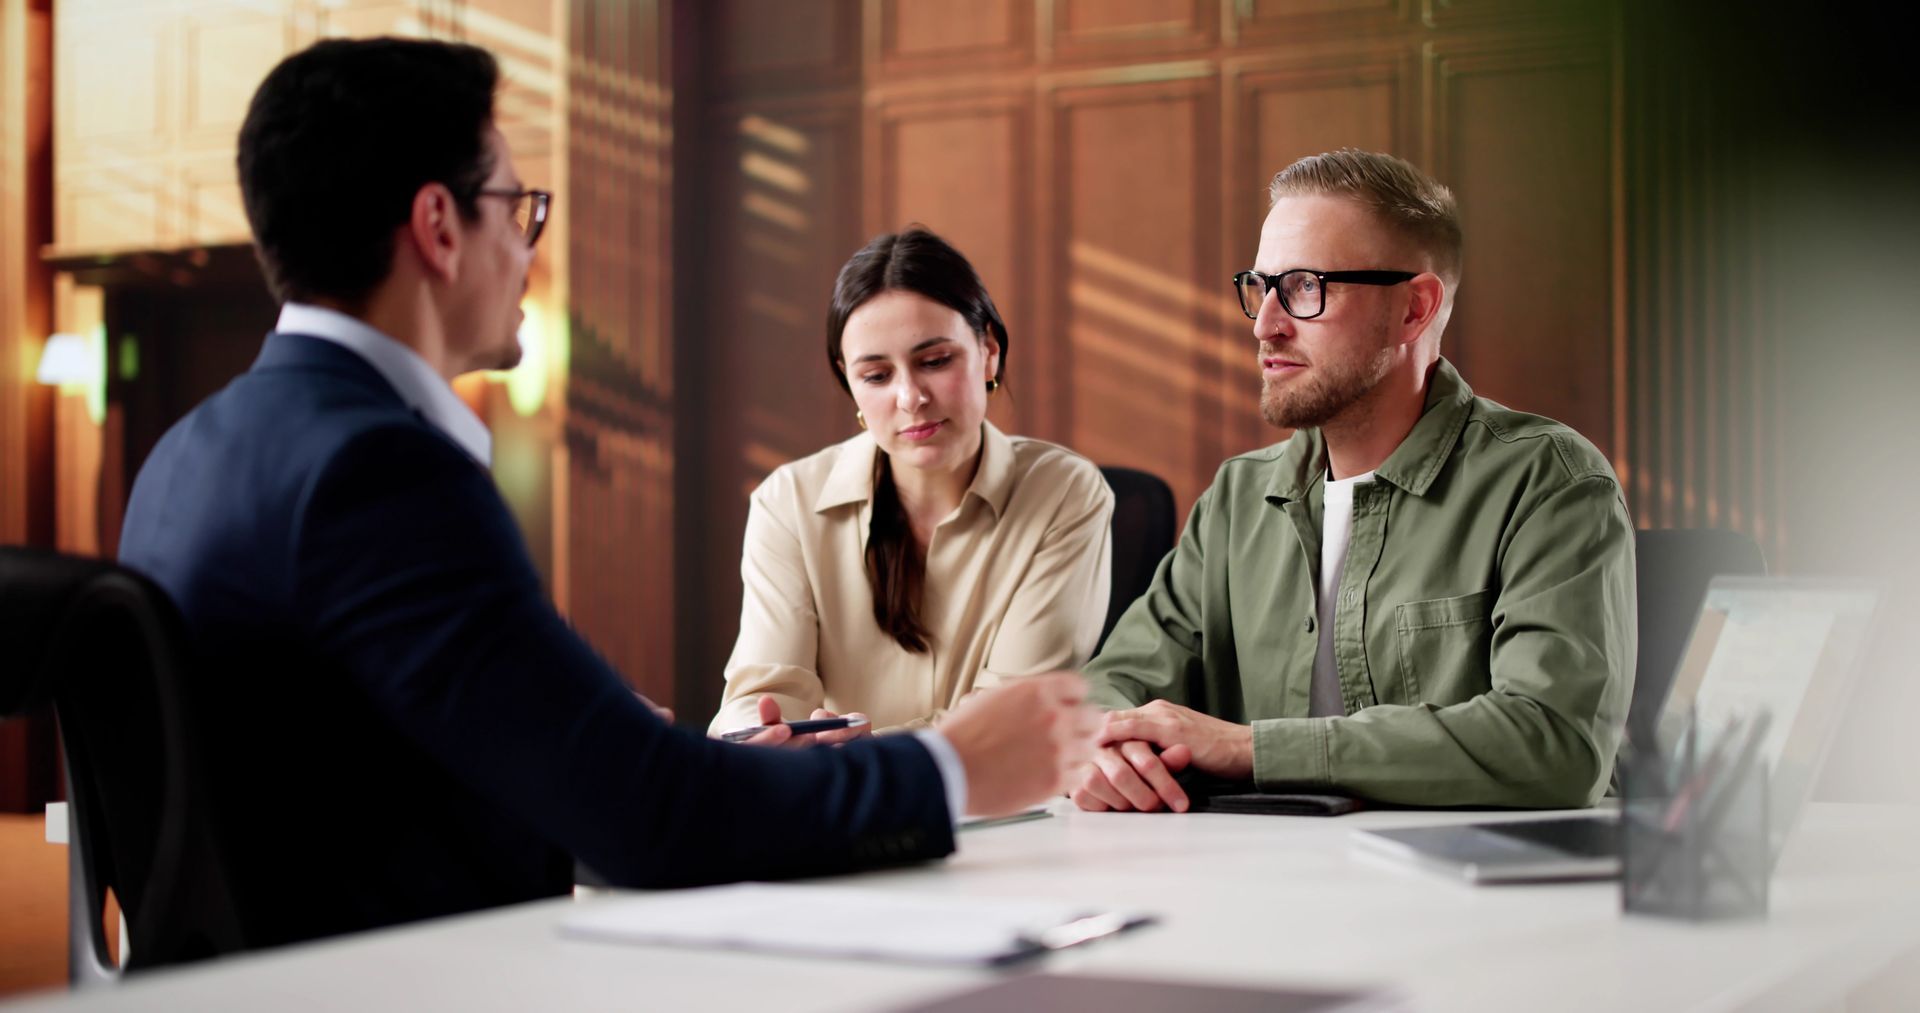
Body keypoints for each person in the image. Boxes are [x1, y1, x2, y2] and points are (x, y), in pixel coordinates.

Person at [116, 37, 1095, 951]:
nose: (531, 251)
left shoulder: (184, 453)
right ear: (440, 227)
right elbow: (651, 820)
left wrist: (565, 729)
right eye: (521, 209)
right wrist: (950, 766)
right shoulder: (381, 469)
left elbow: (341, 775)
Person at [1071, 149, 1635, 814]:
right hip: (1248, 885)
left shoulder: (1549, 482)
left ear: (1414, 309)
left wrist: (1254, 748)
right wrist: (1105, 747)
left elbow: (1555, 742)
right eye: (1260, 286)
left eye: (1306, 287)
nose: (1264, 324)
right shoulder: (1236, 498)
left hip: (1465, 903)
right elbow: (1112, 685)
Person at [709, 228, 1113, 741]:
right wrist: (763, 739)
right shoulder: (788, 501)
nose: (910, 397)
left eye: (935, 361)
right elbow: (762, 694)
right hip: (833, 806)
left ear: (988, 350)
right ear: (848, 380)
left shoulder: (1064, 492)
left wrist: (862, 759)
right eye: (876, 376)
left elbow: (1011, 717)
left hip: (1003, 808)